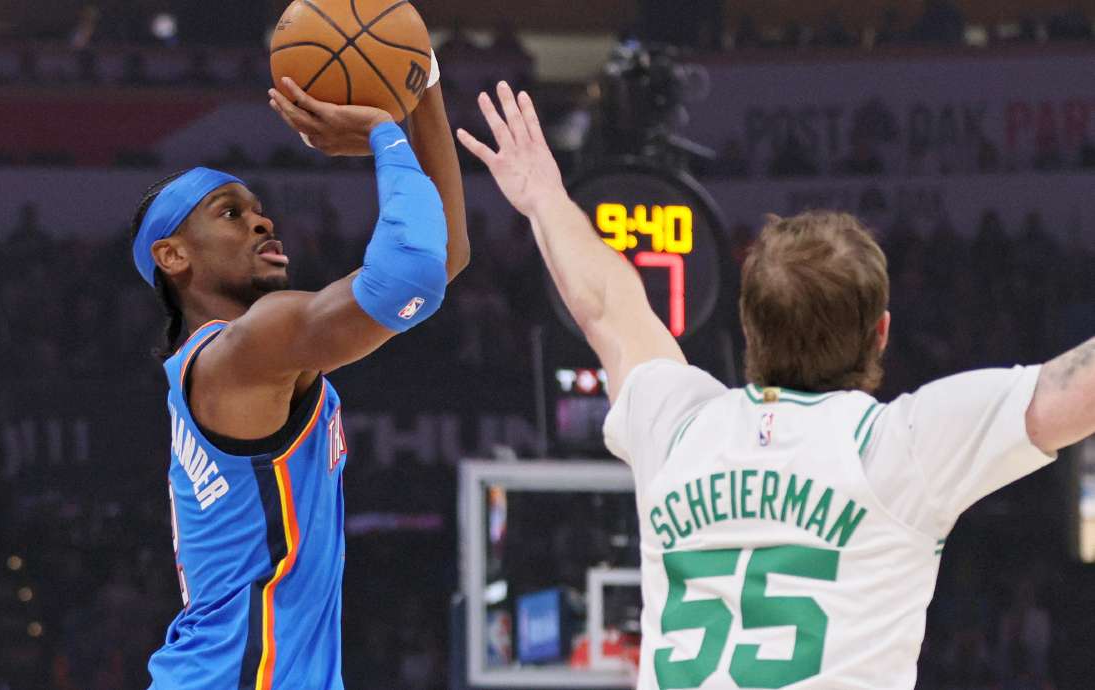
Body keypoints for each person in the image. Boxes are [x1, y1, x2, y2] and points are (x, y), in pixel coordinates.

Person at [457, 81, 1094, 689]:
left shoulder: (679, 429)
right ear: (880, 333)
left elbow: (606, 303)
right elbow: (1072, 393)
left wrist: (545, 198)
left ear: (748, 324)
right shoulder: (898, 448)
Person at [136, 65, 468, 689]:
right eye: (230, 213)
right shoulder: (244, 348)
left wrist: (422, 81)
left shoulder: (237, 357)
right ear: (172, 255)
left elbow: (441, 256)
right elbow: (412, 274)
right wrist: (383, 133)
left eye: (260, 211)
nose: (262, 223)